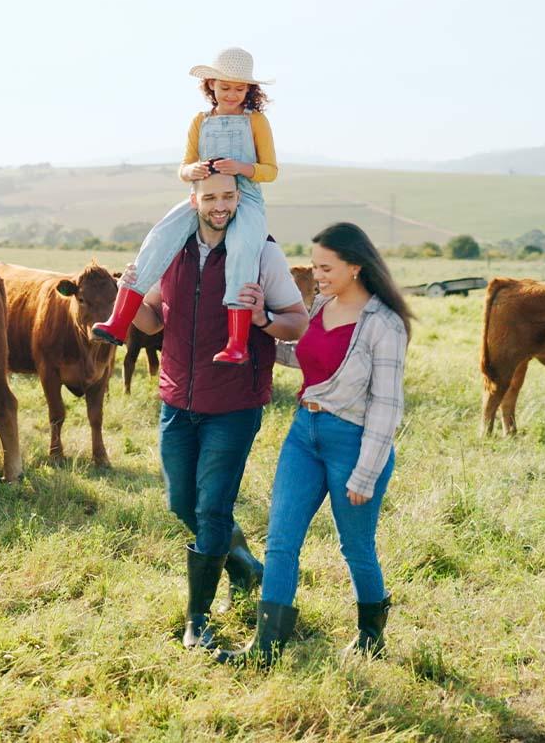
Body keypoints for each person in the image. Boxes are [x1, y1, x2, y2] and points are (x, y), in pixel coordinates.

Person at [217, 222, 413, 667]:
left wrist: (366, 471)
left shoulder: (386, 324)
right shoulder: (322, 304)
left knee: (355, 547)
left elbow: (386, 405)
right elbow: (304, 356)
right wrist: (263, 322)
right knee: (281, 541)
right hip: (304, 435)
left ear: (356, 267)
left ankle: (370, 634)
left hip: (355, 442)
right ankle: (265, 648)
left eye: (326, 267)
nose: (316, 275)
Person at [130, 170, 308, 650]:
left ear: (240, 199)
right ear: (194, 199)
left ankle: (198, 619)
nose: (220, 206)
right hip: (176, 400)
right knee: (180, 502)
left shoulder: (262, 252)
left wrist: (262, 318)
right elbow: (150, 320)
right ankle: (244, 565)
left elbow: (298, 323)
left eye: (229, 196)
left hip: (232, 404)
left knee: (212, 509)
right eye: (211, 197)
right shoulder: (171, 249)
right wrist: (123, 296)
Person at [95, 47, 279, 365]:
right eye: (225, 87)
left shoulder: (256, 121)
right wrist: (191, 171)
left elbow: (270, 171)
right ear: (211, 85)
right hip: (202, 196)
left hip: (245, 196)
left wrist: (241, 167)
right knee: (159, 237)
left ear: (249, 89)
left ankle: (237, 342)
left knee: (243, 247)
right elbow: (184, 168)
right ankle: (119, 322)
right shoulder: (199, 121)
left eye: (239, 88)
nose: (232, 94)